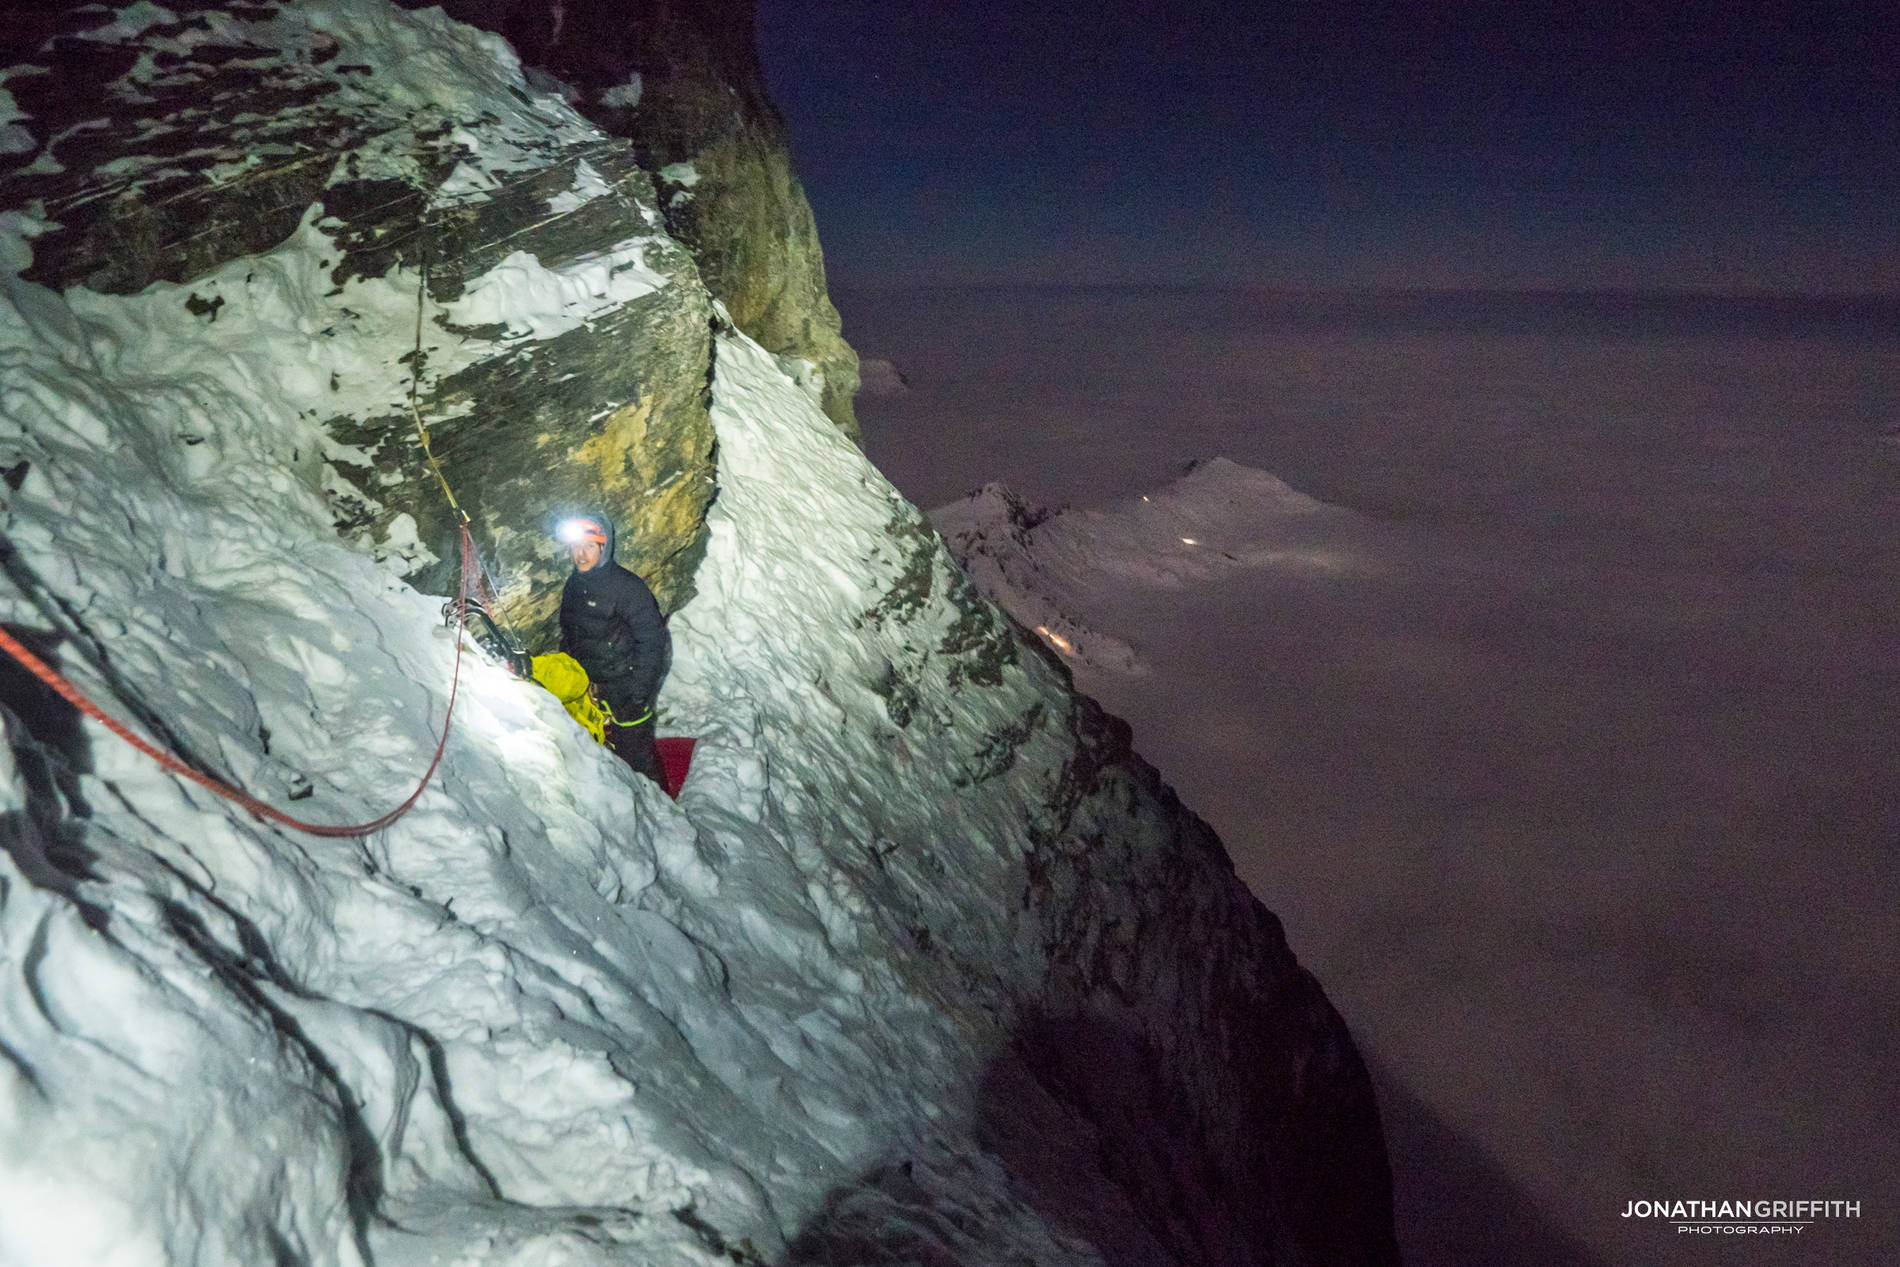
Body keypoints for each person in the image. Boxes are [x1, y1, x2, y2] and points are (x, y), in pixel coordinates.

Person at [556, 512, 669, 786]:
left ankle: (660, 805)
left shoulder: (627, 588)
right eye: (576, 547)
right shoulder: (574, 585)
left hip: (625, 687)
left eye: (589, 547)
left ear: (603, 549)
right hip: (593, 685)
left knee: (636, 753)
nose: (581, 555)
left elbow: (653, 641)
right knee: (603, 748)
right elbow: (571, 631)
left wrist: (638, 691)